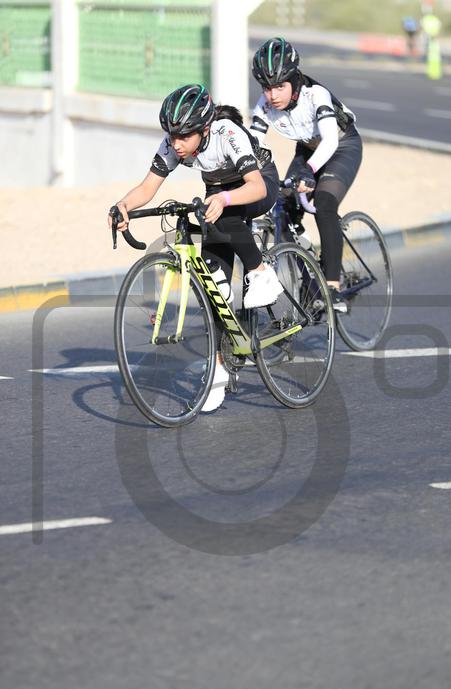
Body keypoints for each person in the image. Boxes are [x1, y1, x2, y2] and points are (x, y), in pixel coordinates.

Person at [108, 84, 281, 412]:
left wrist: (225, 198)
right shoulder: (174, 144)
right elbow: (147, 187)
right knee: (213, 285)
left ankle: (261, 272)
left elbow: (256, 187)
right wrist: (123, 205)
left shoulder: (226, 133)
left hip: (258, 184)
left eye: (184, 137)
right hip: (219, 191)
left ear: (204, 129)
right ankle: (219, 368)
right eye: (172, 136)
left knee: (225, 213)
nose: (176, 144)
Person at [250, 37, 362, 312]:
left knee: (324, 203)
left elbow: (330, 141)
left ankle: (333, 287)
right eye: (267, 88)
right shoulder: (264, 105)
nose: (273, 95)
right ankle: (310, 280)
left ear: (294, 80)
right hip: (308, 149)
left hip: (341, 146)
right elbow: (252, 145)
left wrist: (310, 171)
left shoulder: (315, 94)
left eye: (279, 86)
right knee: (282, 207)